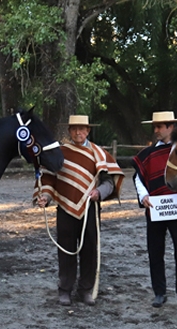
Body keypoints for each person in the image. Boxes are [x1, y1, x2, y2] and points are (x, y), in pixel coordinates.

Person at [35, 115, 125, 306]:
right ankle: (65, 289)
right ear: (69, 131)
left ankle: (85, 290)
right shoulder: (60, 153)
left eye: (82, 129)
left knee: (90, 249)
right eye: (74, 129)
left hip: (90, 208)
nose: (78, 132)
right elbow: (49, 178)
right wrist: (46, 197)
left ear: (88, 131)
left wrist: (99, 192)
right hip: (65, 207)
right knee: (66, 249)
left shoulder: (99, 154)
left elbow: (110, 182)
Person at [132, 111, 177, 310]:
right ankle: (159, 293)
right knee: (155, 252)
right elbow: (138, 177)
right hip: (155, 209)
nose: (156, 130)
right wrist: (144, 196)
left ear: (171, 127)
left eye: (160, 126)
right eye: (155, 127)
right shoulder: (148, 154)